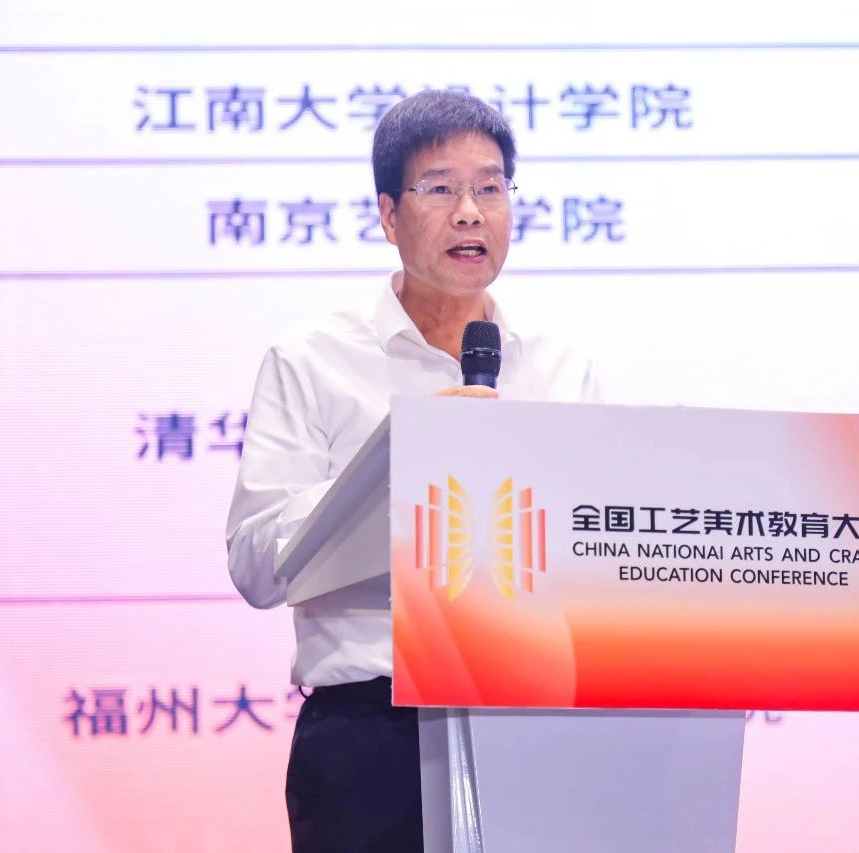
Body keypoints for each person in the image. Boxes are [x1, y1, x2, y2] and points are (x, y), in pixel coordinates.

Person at [224, 89, 600, 853]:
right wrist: (400, 469)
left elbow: (593, 556)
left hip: (536, 725)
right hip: (372, 737)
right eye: (441, 188)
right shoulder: (313, 362)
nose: (470, 213)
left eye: (490, 188)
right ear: (390, 215)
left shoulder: (559, 368)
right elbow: (256, 564)